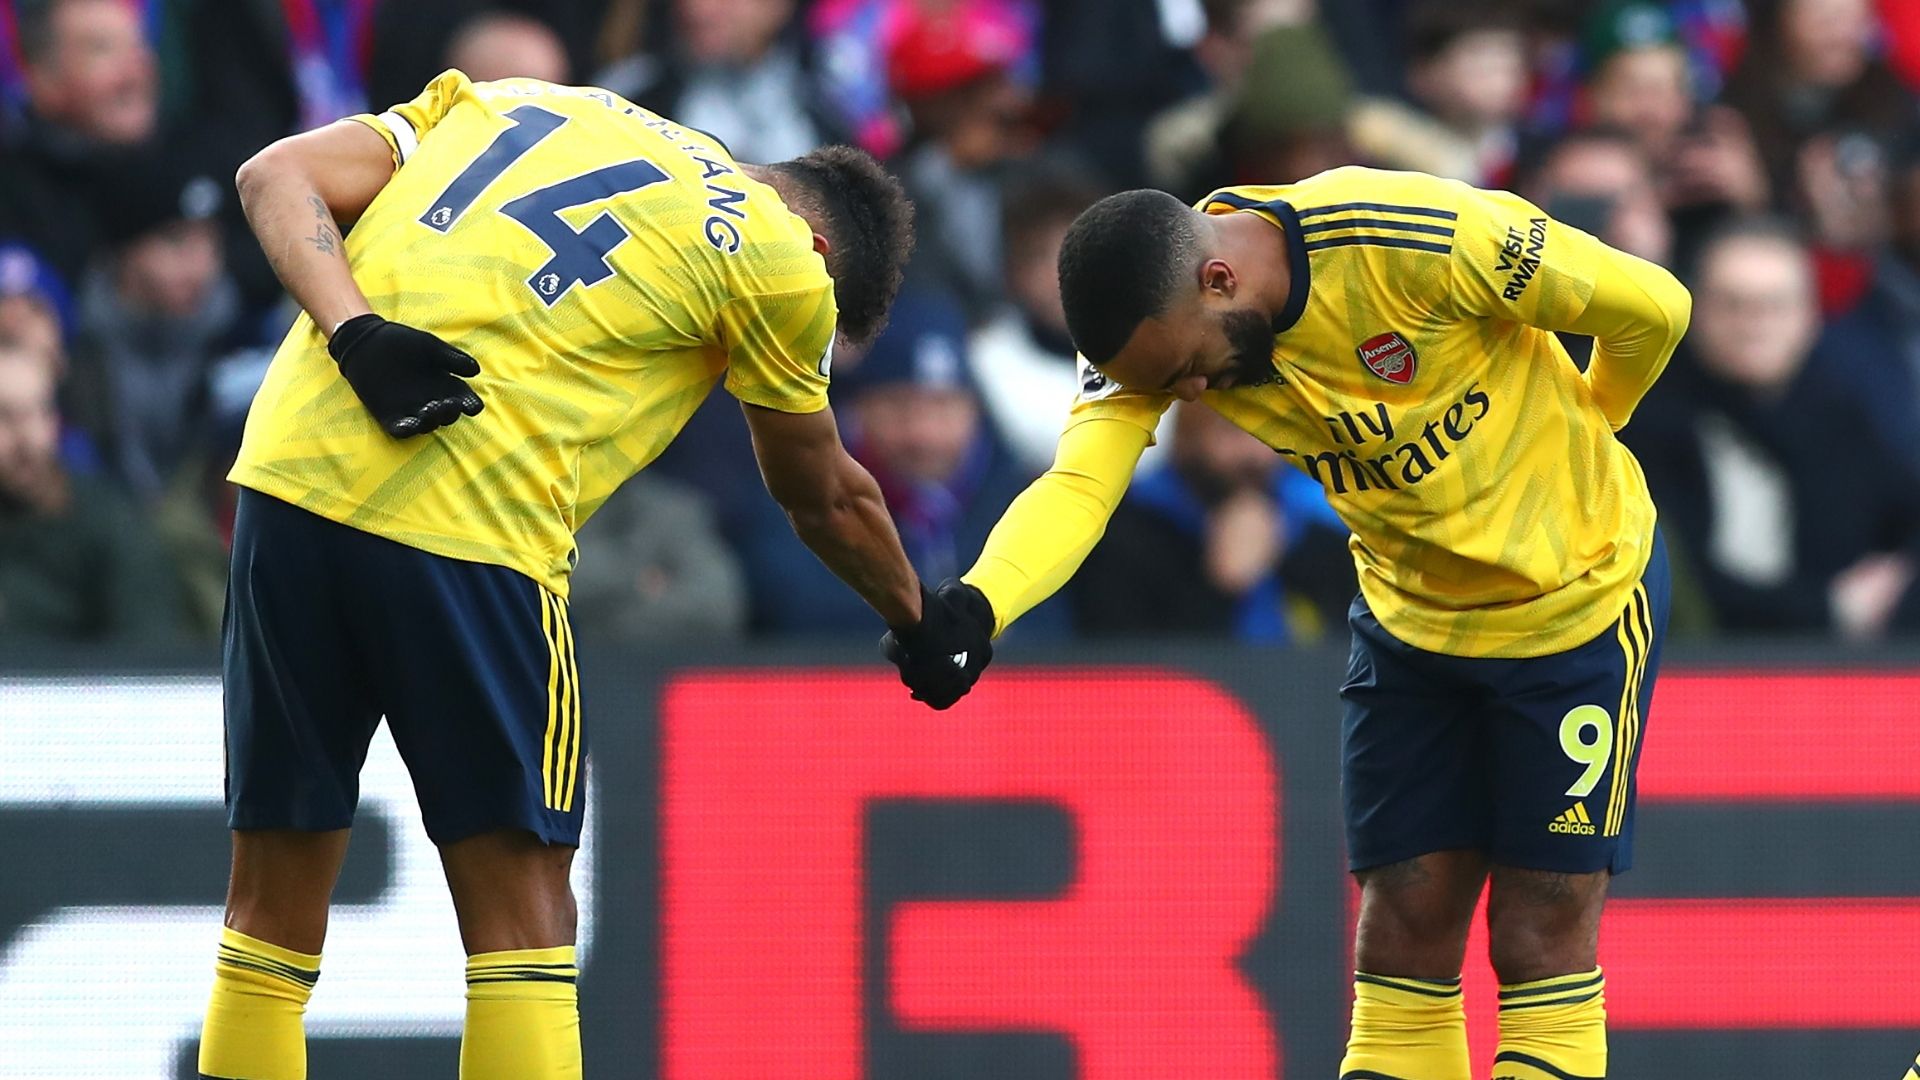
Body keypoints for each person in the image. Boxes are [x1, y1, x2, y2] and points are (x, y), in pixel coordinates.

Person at [197, 69, 982, 1080]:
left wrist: (355, 331)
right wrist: (922, 621)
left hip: (287, 485)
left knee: (268, 910)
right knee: (523, 922)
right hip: (473, 523)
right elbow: (824, 494)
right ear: (824, 257)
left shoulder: (525, 101)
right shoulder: (780, 261)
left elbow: (275, 175)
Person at [887, 166, 1692, 1079]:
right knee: (1399, 941)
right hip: (1410, 622)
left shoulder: (1415, 238)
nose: (1189, 395)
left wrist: (1599, 418)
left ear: (1219, 278)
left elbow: (1655, 306)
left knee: (1539, 937)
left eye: (1188, 368)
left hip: (1573, 610)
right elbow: (1081, 484)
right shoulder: (1148, 336)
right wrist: (979, 603)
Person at [1626, 218, 1920, 639]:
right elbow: (1675, 588)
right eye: (1733, 303)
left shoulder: (1845, 412)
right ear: (1696, 309)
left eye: (1775, 304)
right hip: (1695, 674)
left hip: (1848, 678)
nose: (1754, 323)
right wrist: (1829, 609)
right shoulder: (1644, 420)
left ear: (1811, 315)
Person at [744, 289, 1070, 635]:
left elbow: (1051, 636)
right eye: (899, 406)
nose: (923, 434)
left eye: (942, 407)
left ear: (974, 409)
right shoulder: (796, 495)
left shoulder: (1022, 502)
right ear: (855, 410)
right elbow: (795, 611)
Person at [0, 342, 184, 644]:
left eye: (37, 412)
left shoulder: (111, 525)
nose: (25, 439)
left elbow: (148, 655)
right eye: (4, 417)